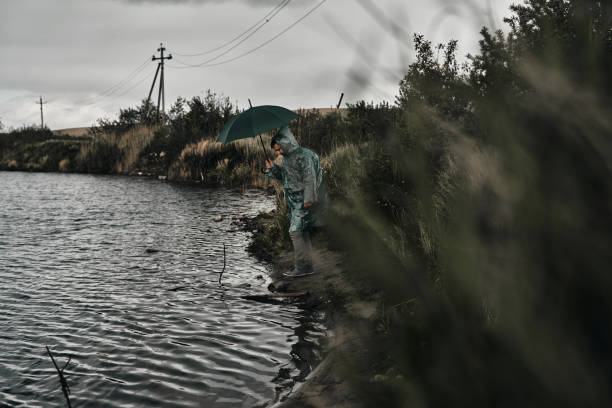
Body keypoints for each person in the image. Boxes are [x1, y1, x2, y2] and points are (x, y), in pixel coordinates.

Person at [264, 125, 328, 278]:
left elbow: (310, 179)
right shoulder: (287, 159)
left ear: (287, 143)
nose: (278, 152)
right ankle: (308, 265)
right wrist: (272, 168)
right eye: (276, 151)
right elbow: (285, 178)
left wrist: (308, 200)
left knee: (295, 232)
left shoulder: (304, 156)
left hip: (304, 202)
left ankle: (302, 267)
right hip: (295, 203)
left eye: (279, 149)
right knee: (302, 232)